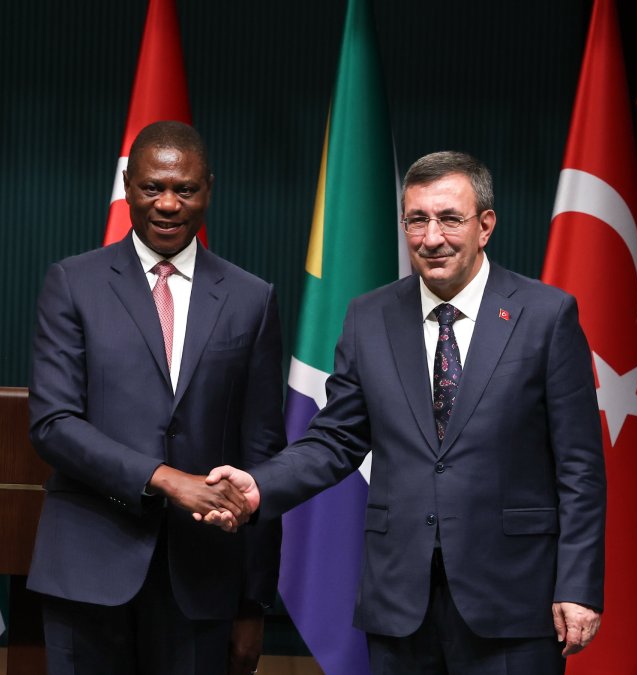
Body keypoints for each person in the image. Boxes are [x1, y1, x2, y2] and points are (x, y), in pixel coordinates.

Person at [202, 151, 606, 673]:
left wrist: (578, 585)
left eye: (449, 219)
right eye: (417, 220)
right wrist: (260, 486)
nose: (431, 238)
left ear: (485, 226)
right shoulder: (369, 316)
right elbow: (336, 439)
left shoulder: (546, 316)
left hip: (513, 599)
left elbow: (580, 467)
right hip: (400, 602)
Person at [27, 120, 285, 675]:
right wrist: (165, 479)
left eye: (185, 189)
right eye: (152, 187)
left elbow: (262, 453)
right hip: (87, 571)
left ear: (208, 189)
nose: (168, 204)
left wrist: (254, 602)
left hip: (203, 580)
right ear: (128, 185)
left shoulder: (251, 298)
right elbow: (53, 424)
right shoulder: (73, 283)